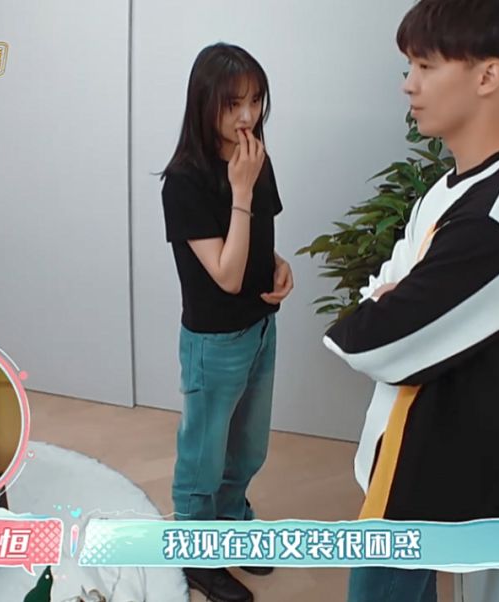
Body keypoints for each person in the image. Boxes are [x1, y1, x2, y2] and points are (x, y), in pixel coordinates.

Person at [322, 1, 499, 600]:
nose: (409, 84)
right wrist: (397, 294)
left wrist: (393, 301)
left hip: (425, 480)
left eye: (425, 66)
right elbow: (388, 279)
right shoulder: (455, 185)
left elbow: (374, 340)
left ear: (488, 76)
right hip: (406, 457)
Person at [160, 42, 293, 602]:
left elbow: (257, 243)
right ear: (205, 103)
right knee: (203, 458)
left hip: (261, 328)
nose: (247, 116)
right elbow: (227, 274)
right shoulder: (184, 181)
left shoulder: (255, 156)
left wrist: (279, 265)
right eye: (234, 103)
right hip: (214, 342)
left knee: (248, 448)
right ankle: (195, 553)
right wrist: (241, 190)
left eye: (255, 101)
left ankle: (233, 523)